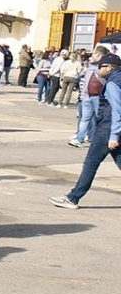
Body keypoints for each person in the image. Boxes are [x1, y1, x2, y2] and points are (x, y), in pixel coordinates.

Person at [51, 53, 121, 209]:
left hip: (108, 129)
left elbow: (118, 110)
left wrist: (114, 135)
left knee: (91, 163)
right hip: (113, 128)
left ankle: (73, 198)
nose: (98, 70)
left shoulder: (112, 84)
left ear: (110, 68)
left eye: (101, 66)